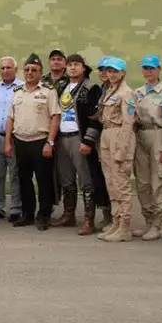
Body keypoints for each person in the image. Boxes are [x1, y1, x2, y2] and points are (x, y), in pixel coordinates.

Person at [5, 53, 59, 230]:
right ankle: (28, 214)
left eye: (34, 70)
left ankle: (44, 215)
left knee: (44, 181)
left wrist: (49, 142)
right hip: (21, 142)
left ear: (40, 72)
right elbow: (10, 119)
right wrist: (8, 143)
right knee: (24, 180)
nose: (30, 73)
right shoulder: (17, 92)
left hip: (40, 142)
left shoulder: (48, 91)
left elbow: (55, 117)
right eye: (27, 70)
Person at [52, 53, 104, 234]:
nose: (73, 67)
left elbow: (97, 118)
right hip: (62, 138)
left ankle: (89, 220)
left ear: (83, 68)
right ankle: (69, 215)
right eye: (70, 65)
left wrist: (89, 141)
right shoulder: (61, 87)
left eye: (76, 65)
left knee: (86, 181)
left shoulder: (91, 88)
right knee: (66, 179)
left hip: (79, 138)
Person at [129, 54, 162, 240]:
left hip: (158, 134)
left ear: (159, 70)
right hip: (141, 136)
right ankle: (148, 221)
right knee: (143, 183)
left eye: (152, 68)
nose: (148, 71)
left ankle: (157, 224)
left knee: (158, 182)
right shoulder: (137, 93)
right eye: (145, 68)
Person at [95, 57, 138, 242]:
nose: (111, 74)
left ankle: (125, 226)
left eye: (115, 71)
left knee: (121, 183)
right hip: (107, 134)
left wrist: (122, 148)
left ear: (123, 73)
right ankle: (116, 221)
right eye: (109, 71)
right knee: (111, 182)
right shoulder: (109, 91)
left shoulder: (127, 93)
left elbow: (129, 123)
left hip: (120, 135)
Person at [0, 56, 23, 221]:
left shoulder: (23, 87)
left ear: (15, 69)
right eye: (2, 68)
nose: (5, 71)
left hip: (15, 137)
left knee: (15, 174)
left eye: (8, 68)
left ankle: (16, 209)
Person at [89, 58, 114, 231]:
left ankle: (116, 218)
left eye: (108, 69)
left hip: (114, 138)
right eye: (101, 69)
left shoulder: (119, 91)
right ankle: (107, 215)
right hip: (100, 140)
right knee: (101, 179)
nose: (104, 73)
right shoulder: (100, 90)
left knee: (114, 179)